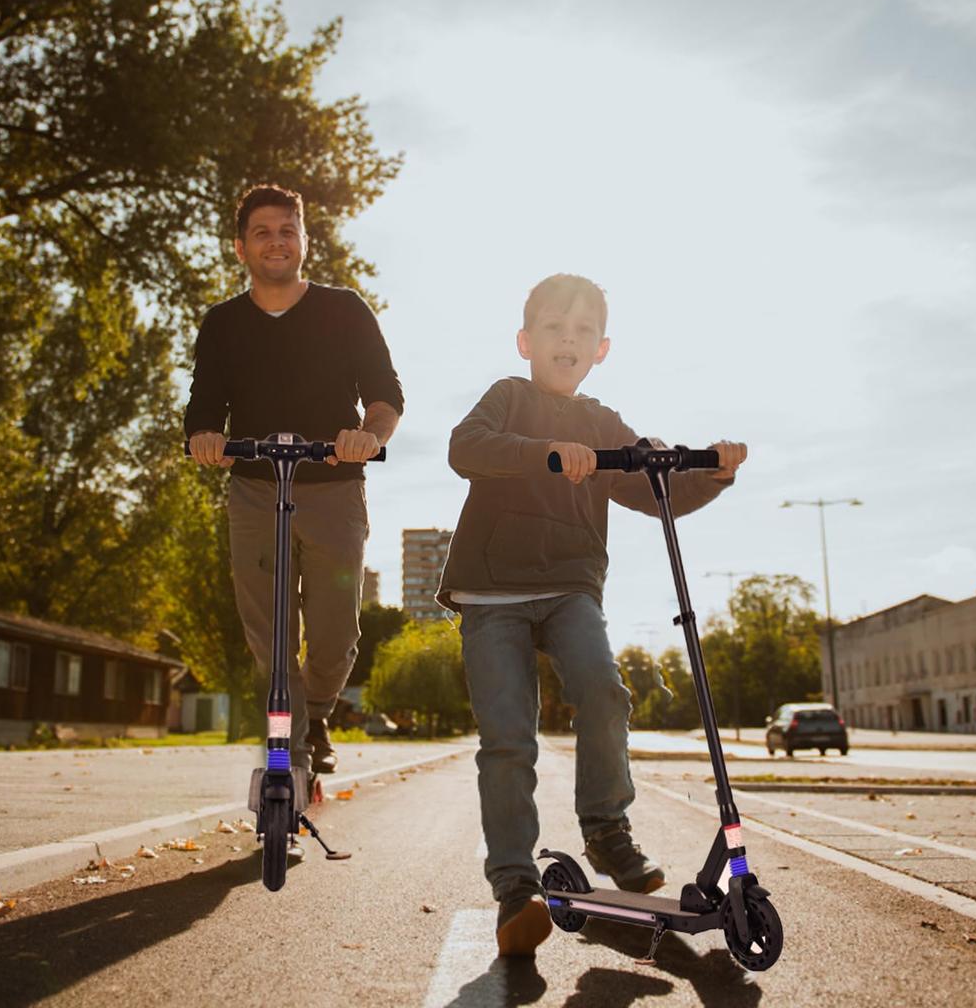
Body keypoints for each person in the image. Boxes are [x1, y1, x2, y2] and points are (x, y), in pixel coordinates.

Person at [436, 273, 747, 957]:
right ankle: (515, 888)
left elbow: (652, 488)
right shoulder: (508, 398)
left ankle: (606, 829)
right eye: (554, 327)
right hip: (493, 592)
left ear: (601, 348)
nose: (567, 339)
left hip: (572, 587)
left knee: (605, 690)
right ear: (526, 341)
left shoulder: (603, 421)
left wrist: (710, 472)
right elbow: (467, 449)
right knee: (509, 740)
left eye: (581, 331)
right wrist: (547, 454)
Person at [185, 183, 403, 781]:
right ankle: (290, 762)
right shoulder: (223, 323)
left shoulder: (344, 309)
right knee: (272, 640)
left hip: (333, 486)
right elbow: (203, 408)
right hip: (255, 490)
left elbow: (386, 396)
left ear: (304, 240)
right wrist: (205, 437)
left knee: (336, 634)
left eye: (287, 230)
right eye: (262, 232)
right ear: (240, 248)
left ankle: (318, 713)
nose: (276, 241)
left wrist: (370, 435)